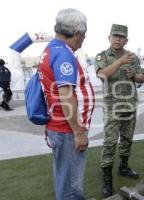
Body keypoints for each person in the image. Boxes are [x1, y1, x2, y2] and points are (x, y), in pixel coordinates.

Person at [38, 8, 95, 200]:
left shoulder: (51, 50)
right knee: (70, 187)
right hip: (67, 130)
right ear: (77, 33)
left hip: (60, 127)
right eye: (84, 35)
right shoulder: (64, 54)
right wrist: (79, 132)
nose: (84, 39)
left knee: (65, 178)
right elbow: (66, 95)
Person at [94, 24, 144, 198]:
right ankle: (107, 178)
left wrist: (134, 76)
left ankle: (123, 167)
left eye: (121, 37)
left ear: (126, 39)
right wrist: (119, 62)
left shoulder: (132, 57)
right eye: (115, 36)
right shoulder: (102, 56)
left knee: (127, 139)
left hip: (130, 104)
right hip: (112, 107)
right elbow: (102, 75)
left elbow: (141, 77)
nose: (118, 39)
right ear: (108, 37)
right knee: (110, 142)